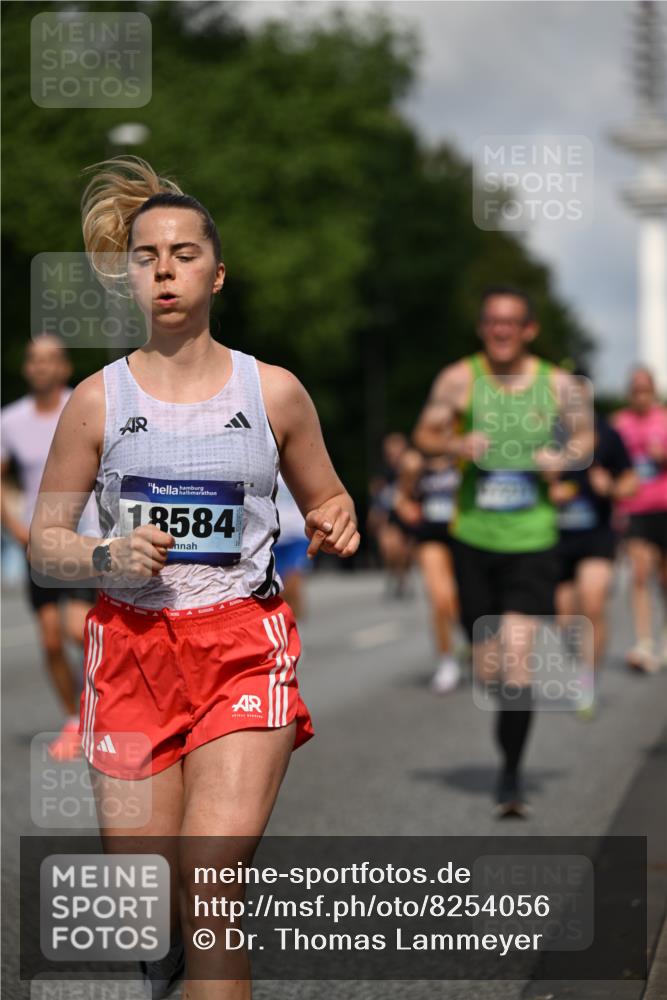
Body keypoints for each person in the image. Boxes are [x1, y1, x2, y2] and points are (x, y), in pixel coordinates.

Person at [29, 156, 360, 998]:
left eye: (182, 253)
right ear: (128, 276)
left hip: (241, 645)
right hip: (132, 650)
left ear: (217, 271)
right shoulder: (97, 402)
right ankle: (163, 944)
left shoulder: (275, 392)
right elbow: (44, 544)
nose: (164, 269)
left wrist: (336, 518)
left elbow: (327, 498)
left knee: (213, 883)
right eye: (146, 256)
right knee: (149, 889)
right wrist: (106, 555)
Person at [413, 286, 593, 817]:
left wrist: (560, 456)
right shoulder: (458, 378)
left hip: (533, 539)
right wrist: (454, 445)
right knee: (489, 666)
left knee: (517, 659)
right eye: (492, 321)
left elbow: (585, 441)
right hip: (473, 538)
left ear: (529, 330)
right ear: (482, 328)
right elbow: (424, 434)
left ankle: (511, 776)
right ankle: (489, 688)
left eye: (511, 322)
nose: (501, 330)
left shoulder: (559, 385)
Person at [1, 335, 96, 760]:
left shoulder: (84, 405)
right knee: (52, 640)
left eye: (50, 360)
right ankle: (74, 720)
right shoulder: (10, 420)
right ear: (26, 368)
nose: (41, 368)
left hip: (82, 540)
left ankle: (106, 707)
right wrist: (16, 527)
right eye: (33, 360)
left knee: (81, 630)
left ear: (64, 367)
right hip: (36, 543)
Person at [550, 372, 637, 715]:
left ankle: (587, 682)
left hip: (597, 535)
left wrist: (612, 489)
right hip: (554, 539)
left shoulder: (607, 434)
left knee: (594, 602)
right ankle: (577, 650)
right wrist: (548, 490)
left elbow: (631, 481)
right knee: (563, 618)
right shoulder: (546, 433)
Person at [393, 448, 462, 693]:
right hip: (431, 537)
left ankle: (476, 642)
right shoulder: (417, 461)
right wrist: (406, 506)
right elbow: (400, 498)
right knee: (440, 599)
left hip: (468, 536)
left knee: (460, 601)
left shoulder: (465, 454)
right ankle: (447, 662)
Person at [613, 367, 667, 672]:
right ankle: (643, 641)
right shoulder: (620, 423)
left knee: (664, 577)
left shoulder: (664, 420)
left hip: (664, 504)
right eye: (635, 390)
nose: (641, 395)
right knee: (639, 574)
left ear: (653, 391)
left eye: (645, 390)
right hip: (635, 508)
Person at [366, 432, 414, 597]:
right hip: (389, 517)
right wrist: (374, 515)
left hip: (408, 518)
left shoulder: (412, 470)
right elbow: (376, 496)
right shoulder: (382, 473)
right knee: (389, 548)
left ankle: (403, 576)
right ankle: (393, 574)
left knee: (404, 553)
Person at [272, 473, 310, 618]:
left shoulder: (298, 464)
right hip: (272, 538)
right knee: (277, 592)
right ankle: (286, 631)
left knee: (293, 585)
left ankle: (296, 631)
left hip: (296, 535)